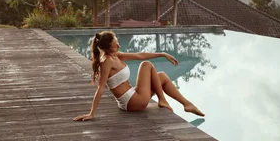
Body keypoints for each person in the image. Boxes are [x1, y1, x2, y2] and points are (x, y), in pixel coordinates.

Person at [73, 31, 204, 121]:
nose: (118, 45)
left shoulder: (114, 55)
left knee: (162, 76)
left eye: (117, 42)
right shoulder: (106, 62)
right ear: (107, 48)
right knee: (146, 65)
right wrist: (91, 113)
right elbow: (100, 88)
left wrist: (162, 54)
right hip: (132, 102)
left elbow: (139, 55)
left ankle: (187, 104)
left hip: (133, 96)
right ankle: (162, 100)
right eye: (115, 45)